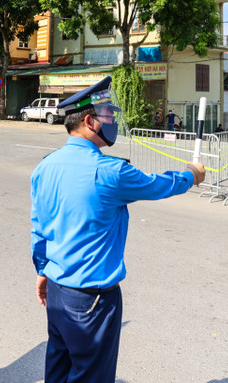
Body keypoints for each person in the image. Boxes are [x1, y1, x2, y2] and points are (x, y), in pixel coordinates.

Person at [30, 77, 206, 383]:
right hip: (93, 301)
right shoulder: (111, 172)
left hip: (57, 292)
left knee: (57, 371)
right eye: (108, 114)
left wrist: (43, 270)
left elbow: (39, 229)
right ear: (88, 120)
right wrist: (191, 175)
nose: (112, 120)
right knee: (91, 376)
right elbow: (157, 185)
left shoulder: (46, 166)